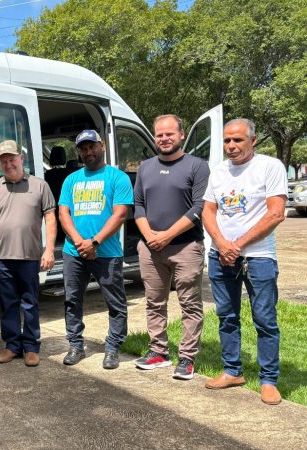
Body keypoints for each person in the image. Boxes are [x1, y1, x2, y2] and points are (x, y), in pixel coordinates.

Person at [202, 118, 287, 405]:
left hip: (258, 257)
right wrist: (222, 243)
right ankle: (232, 371)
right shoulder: (219, 171)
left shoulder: (270, 166)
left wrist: (237, 245)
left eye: (237, 140)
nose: (231, 145)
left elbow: (276, 213)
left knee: (264, 319)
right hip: (220, 256)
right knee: (226, 316)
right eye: (227, 140)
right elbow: (208, 211)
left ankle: (269, 380)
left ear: (253, 140)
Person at [133, 114, 210, 380]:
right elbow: (138, 205)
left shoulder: (197, 166)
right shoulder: (145, 167)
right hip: (150, 248)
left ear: (181, 134)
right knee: (154, 302)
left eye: (169, 134)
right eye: (159, 135)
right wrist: (149, 236)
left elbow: (199, 206)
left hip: (186, 247)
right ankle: (159, 352)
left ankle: (187, 357)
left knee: (190, 304)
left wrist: (166, 235)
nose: (164, 139)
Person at [0, 140, 57, 367]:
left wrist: (49, 250)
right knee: (8, 303)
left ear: (21, 158)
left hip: (29, 256)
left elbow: (50, 218)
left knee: (29, 302)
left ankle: (31, 347)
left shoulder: (39, 186)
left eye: (12, 159)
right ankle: (12, 346)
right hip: (3, 257)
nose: (8, 164)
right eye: (4, 161)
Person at [58, 130, 132, 370]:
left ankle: (113, 348)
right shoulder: (71, 180)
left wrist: (95, 242)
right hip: (74, 252)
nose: (88, 151)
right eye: (83, 148)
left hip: (106, 252)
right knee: (72, 300)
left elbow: (120, 214)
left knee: (115, 303)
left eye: (92, 146)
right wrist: (80, 241)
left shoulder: (118, 177)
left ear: (102, 147)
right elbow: (63, 213)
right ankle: (75, 345)